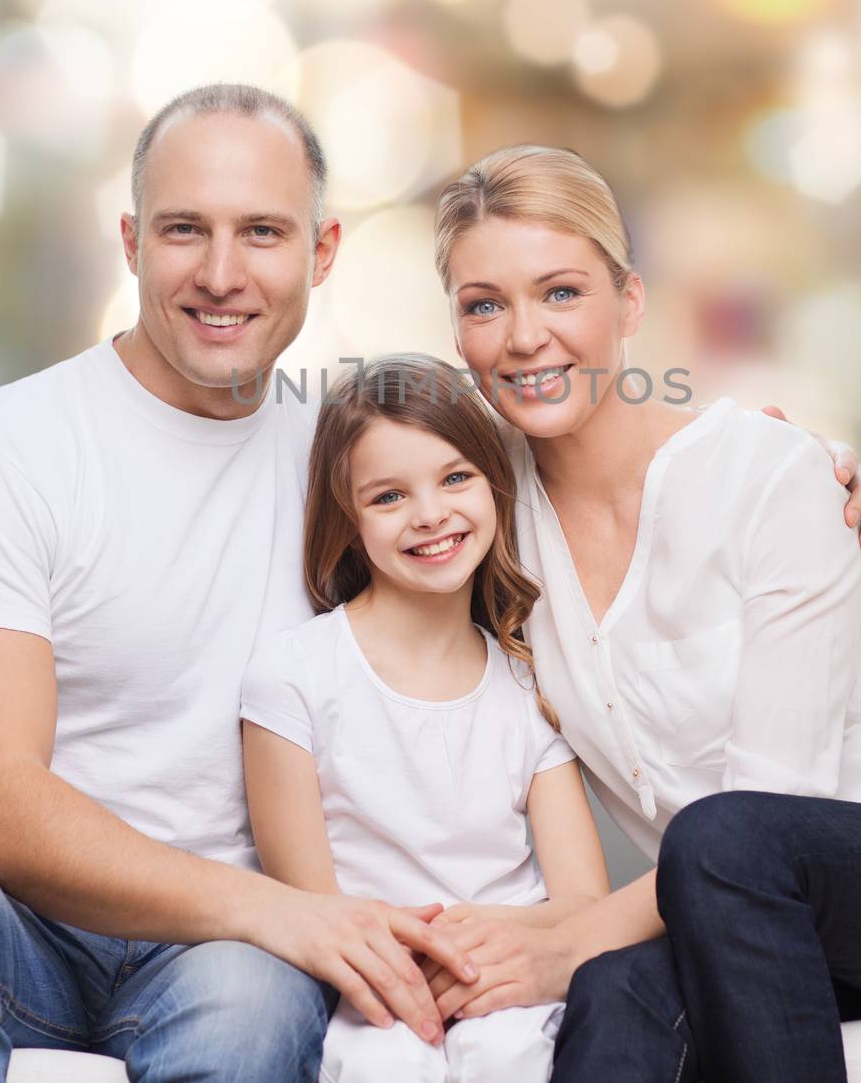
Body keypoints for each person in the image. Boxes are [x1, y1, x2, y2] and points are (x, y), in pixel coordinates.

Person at [0, 83, 861, 1082]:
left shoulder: (357, 454)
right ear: (132, 242)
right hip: (39, 925)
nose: (222, 274)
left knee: (243, 1005)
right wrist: (286, 914)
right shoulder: (5, 449)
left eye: (262, 232)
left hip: (235, 953)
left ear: (321, 252)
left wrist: (791, 467)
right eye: (185, 229)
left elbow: (554, 445)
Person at [410, 144, 861, 1083]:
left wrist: (568, 938)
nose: (523, 336)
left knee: (721, 834)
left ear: (627, 303)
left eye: (559, 292)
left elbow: (770, 804)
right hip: (753, 917)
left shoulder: (770, 479)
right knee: (612, 996)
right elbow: (350, 486)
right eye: (483, 305)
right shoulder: (483, 522)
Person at [241, 354, 610, 1082]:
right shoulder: (293, 675)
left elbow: (583, 904)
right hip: (365, 986)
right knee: (384, 1065)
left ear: (494, 487)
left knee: (510, 1055)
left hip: (510, 981)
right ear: (348, 523)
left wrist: (484, 952)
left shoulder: (529, 678)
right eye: (388, 497)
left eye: (455, 477)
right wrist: (416, 960)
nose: (431, 514)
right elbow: (310, 908)